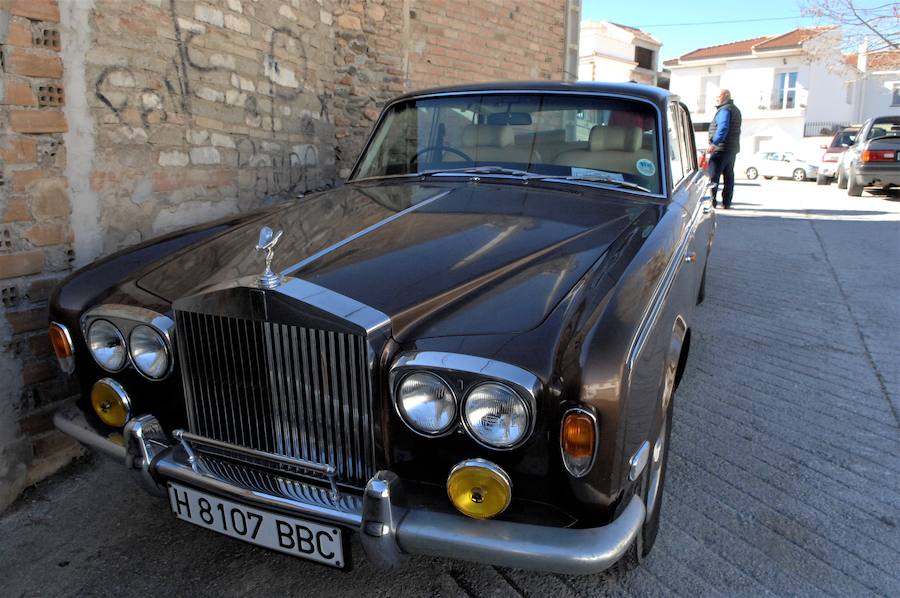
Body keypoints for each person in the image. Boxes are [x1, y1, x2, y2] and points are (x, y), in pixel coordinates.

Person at [706, 89, 742, 209]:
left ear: (725, 96)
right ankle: (726, 202)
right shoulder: (735, 110)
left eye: (718, 96)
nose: (716, 99)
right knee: (728, 176)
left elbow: (723, 127)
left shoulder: (725, 110)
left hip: (721, 149)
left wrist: (714, 143)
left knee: (713, 176)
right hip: (731, 149)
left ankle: (712, 202)